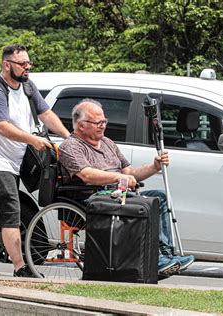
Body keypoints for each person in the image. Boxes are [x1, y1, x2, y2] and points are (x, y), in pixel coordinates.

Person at [0, 44, 70, 277]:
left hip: (14, 161)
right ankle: (21, 267)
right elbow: (1, 127)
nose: (27, 67)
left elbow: (46, 113)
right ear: (6, 65)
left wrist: (68, 137)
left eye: (28, 63)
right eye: (22, 64)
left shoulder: (28, 87)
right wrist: (32, 140)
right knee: (10, 213)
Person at [59, 98, 195, 279]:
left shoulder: (107, 143)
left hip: (117, 194)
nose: (103, 126)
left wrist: (153, 166)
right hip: (92, 197)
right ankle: (157, 260)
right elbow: (87, 175)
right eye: (97, 122)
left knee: (158, 197)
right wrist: (119, 177)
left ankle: (164, 255)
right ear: (81, 125)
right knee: (139, 206)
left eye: (104, 121)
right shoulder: (71, 146)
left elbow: (130, 171)